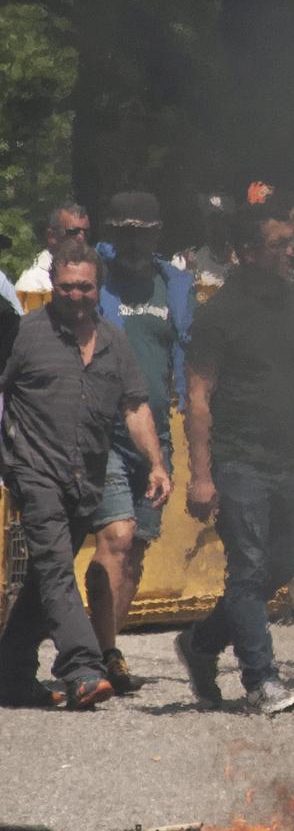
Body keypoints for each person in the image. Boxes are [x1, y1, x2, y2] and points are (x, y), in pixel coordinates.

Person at [176, 197, 294, 714]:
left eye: (292, 242)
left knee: (283, 565)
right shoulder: (220, 314)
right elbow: (198, 396)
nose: (291, 251)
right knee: (247, 568)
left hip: (287, 458)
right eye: (278, 244)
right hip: (238, 458)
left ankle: (200, 644)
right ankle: (261, 679)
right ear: (246, 252)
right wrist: (201, 475)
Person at [0, 241, 170, 709]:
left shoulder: (115, 342)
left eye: (85, 288)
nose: (76, 296)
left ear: (99, 288)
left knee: (44, 579)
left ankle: (9, 674)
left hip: (84, 478)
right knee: (56, 568)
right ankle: (82, 667)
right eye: (67, 287)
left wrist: (156, 463)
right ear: (53, 286)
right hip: (34, 470)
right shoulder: (24, 334)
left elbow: (134, 406)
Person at [83, 192, 196, 694]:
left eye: (142, 230)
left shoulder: (175, 285)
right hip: (102, 428)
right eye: (124, 229)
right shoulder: (96, 277)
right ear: (113, 231)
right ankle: (91, 655)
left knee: (138, 550)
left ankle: (106, 652)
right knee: (117, 538)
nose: (133, 239)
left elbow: (188, 355)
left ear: (157, 232)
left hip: (155, 435)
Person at [14, 201, 90, 305]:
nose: (81, 238)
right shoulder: (31, 284)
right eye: (73, 232)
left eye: (85, 232)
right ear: (51, 236)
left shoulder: (92, 274)